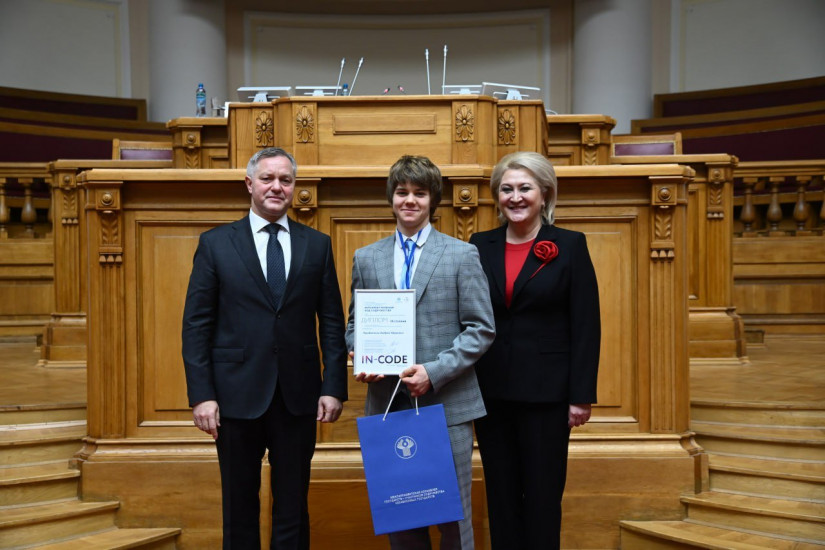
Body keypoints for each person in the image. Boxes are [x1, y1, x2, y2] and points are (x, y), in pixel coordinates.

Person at [182, 147, 348, 550]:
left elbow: (331, 322)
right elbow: (196, 325)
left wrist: (333, 386)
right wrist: (202, 395)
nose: (277, 187)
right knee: (239, 504)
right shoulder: (216, 244)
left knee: (293, 503)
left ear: (295, 188)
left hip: (298, 396)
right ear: (249, 184)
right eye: (269, 179)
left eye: (286, 180)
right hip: (235, 397)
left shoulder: (317, 245)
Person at [345, 155, 495, 550]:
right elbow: (354, 323)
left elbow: (481, 328)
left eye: (419, 193)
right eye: (401, 192)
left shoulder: (462, 255)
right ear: (391, 198)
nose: (409, 200)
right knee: (402, 514)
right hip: (387, 404)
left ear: (433, 200)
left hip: (447, 403)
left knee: (452, 515)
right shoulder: (367, 257)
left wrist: (434, 371)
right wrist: (362, 354)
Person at [469, 151, 601, 550]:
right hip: (492, 394)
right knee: (502, 498)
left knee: (543, 500)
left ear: (545, 194)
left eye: (524, 188)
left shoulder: (570, 245)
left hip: (547, 395)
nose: (515, 197)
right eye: (506, 189)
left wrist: (581, 396)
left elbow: (586, 325)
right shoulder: (479, 244)